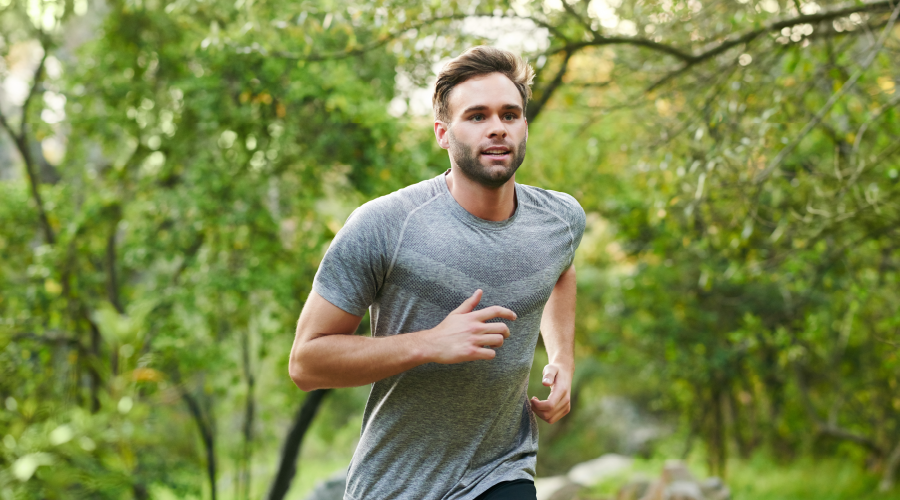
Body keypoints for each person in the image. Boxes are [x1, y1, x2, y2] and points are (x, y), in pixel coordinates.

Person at [289, 46, 586, 500]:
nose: (496, 128)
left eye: (510, 114)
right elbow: (306, 363)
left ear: (525, 125)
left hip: (500, 471)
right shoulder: (385, 226)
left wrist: (561, 357)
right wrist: (430, 343)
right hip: (396, 484)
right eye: (477, 116)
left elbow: (561, 268)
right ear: (443, 133)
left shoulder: (559, 219)